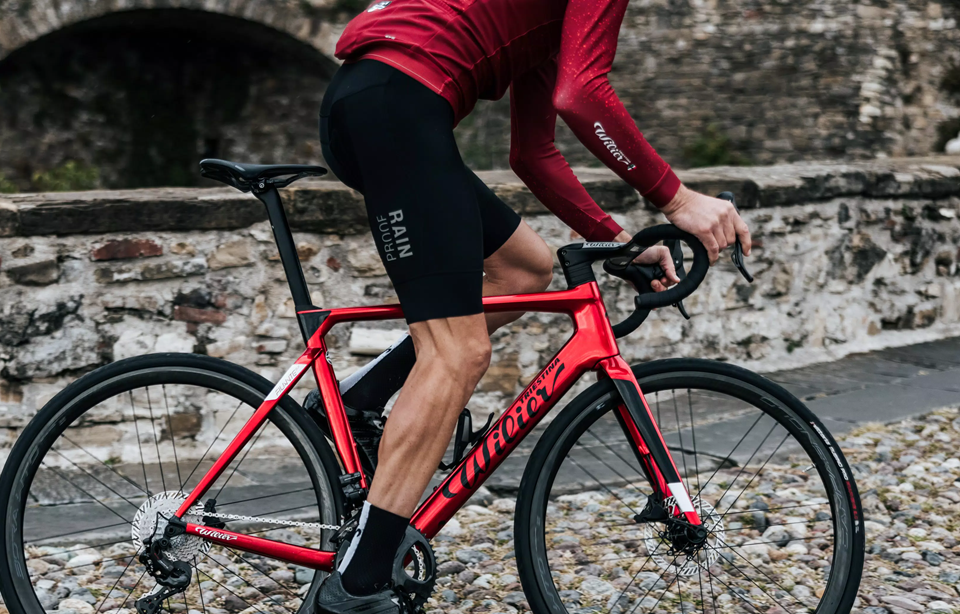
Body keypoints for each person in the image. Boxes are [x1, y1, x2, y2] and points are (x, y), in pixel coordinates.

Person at [315, 0, 752, 610]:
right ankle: (356, 587)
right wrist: (677, 200)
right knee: (458, 352)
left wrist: (616, 239)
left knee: (525, 268)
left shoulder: (546, 18)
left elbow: (533, 153)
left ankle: (359, 397)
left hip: (380, 101)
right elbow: (583, 95)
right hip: (397, 105)